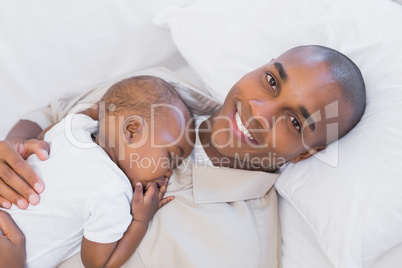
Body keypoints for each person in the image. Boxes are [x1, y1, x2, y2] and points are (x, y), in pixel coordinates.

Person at [0, 45, 366, 267]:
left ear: (306, 154)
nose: (258, 110)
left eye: (293, 121)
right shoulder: (157, 88)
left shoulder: (235, 251)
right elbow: (53, 113)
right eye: (271, 81)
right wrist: (13, 149)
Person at [0, 75, 195, 268]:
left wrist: (107, 111)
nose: (170, 172)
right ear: (132, 131)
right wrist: (141, 220)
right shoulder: (113, 193)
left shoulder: (74, 127)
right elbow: (97, 262)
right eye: (171, 157)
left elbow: (44, 136)